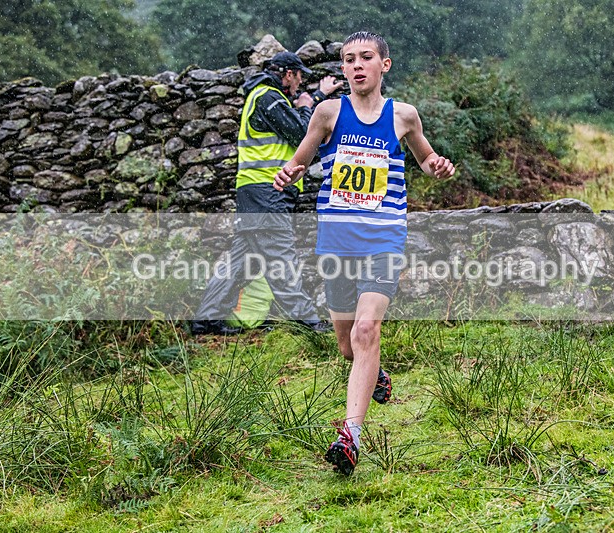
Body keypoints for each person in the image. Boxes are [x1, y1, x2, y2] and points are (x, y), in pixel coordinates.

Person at [274, 32, 455, 475]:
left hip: (383, 239)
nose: (356, 66)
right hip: (336, 241)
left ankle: (350, 437)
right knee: (345, 344)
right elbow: (300, 162)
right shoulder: (328, 112)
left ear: (384, 65)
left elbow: (427, 159)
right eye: (349, 59)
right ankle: (376, 375)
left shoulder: (404, 116)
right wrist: (288, 174)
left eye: (366, 58)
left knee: (366, 329)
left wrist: (439, 167)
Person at [191, 51, 344, 335]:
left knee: (240, 259)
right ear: (288, 74)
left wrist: (311, 100)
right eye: (299, 78)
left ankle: (205, 320)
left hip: (253, 189)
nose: (300, 85)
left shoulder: (262, 96)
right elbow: (301, 133)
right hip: (268, 190)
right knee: (280, 254)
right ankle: (306, 321)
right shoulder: (268, 97)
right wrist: (314, 101)